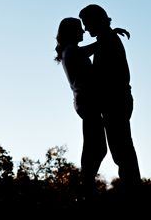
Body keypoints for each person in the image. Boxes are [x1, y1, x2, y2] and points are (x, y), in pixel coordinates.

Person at [78, 4, 141, 185]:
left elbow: (105, 75)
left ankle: (134, 192)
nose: (85, 28)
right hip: (117, 101)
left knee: (122, 151)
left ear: (95, 21)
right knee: (122, 150)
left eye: (86, 23)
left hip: (116, 102)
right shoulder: (107, 38)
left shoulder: (108, 40)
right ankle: (133, 189)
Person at [55, 17, 106, 184]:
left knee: (95, 146)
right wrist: (108, 34)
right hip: (86, 102)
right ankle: (86, 185)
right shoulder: (71, 51)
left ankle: (86, 183)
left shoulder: (71, 50)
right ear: (71, 32)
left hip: (86, 102)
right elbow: (94, 47)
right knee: (95, 147)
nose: (83, 31)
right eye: (79, 28)